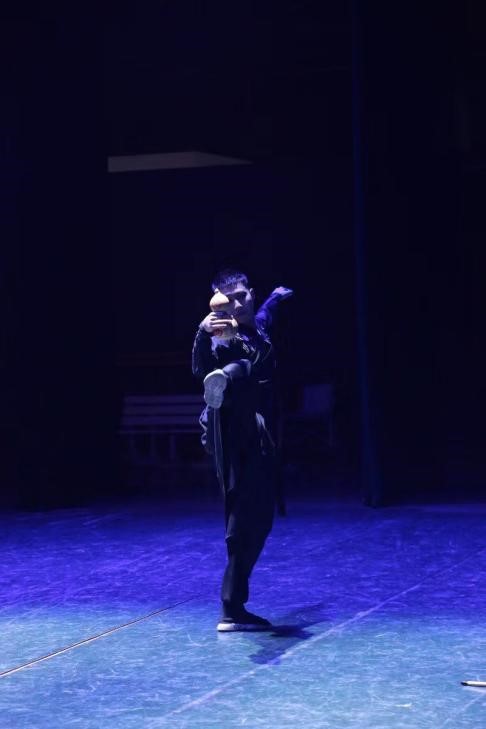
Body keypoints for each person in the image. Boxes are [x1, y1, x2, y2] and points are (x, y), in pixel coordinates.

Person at [191, 268, 293, 631]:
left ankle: (234, 604)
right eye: (229, 300)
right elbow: (203, 361)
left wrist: (276, 297)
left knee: (260, 517)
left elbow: (264, 314)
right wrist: (203, 335)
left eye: (242, 296)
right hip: (232, 430)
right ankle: (232, 608)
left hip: (254, 428)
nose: (237, 304)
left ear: (251, 293)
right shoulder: (224, 332)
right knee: (242, 515)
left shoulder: (256, 324)